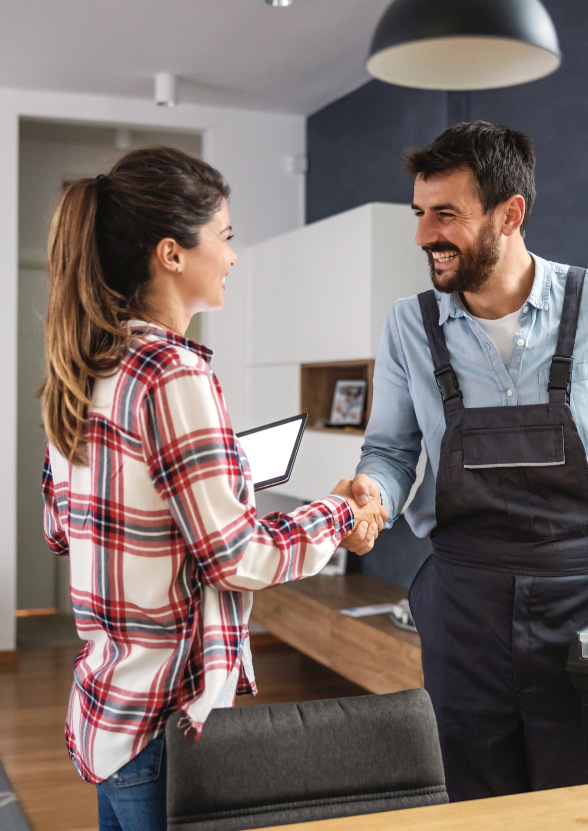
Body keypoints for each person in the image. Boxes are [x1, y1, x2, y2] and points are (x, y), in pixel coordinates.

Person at [40, 146, 386, 831]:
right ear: (172, 252)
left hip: (109, 710)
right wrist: (338, 512)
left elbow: (64, 526)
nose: (232, 255)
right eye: (225, 237)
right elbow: (237, 558)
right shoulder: (173, 374)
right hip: (168, 722)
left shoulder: (86, 367)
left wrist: (209, 483)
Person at [350, 121, 588, 800]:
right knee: (474, 799)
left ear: (510, 213)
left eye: (445, 214)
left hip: (584, 601)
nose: (423, 235)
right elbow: (390, 449)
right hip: (462, 608)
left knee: (585, 798)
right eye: (419, 213)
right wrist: (370, 492)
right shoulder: (410, 325)